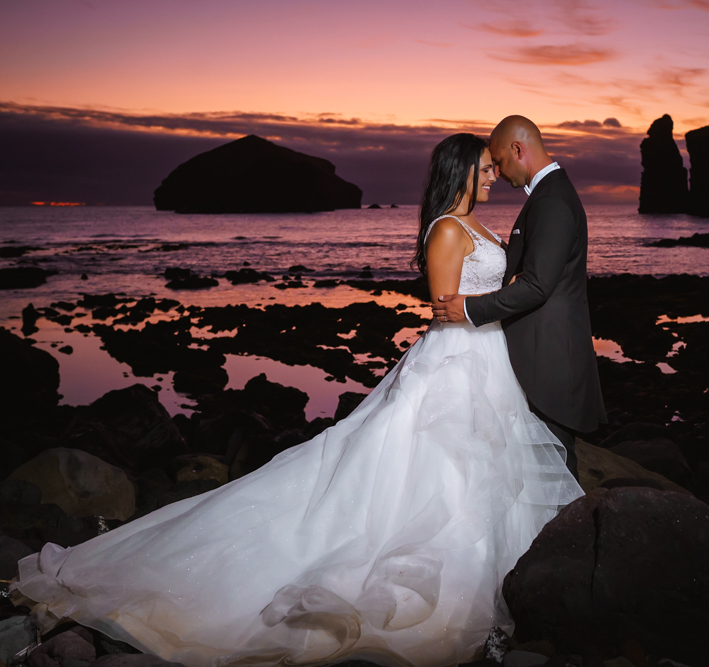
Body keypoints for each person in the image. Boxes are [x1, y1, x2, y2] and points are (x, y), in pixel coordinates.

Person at [12, 133, 584, 667]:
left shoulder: (479, 225)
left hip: (490, 364)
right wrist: (484, 307)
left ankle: (487, 579)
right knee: (436, 470)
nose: (491, 178)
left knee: (482, 472)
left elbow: (500, 291)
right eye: (483, 170)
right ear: (459, 171)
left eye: (492, 168)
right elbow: (443, 305)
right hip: (454, 363)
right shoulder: (446, 230)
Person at [433, 116, 607, 479]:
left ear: (518, 150)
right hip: (531, 356)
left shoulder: (552, 201)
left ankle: (562, 535)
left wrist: (467, 306)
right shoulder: (550, 196)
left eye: (497, 161)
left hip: (550, 359)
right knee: (538, 468)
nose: (496, 173)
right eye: (486, 167)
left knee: (554, 469)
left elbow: (539, 285)